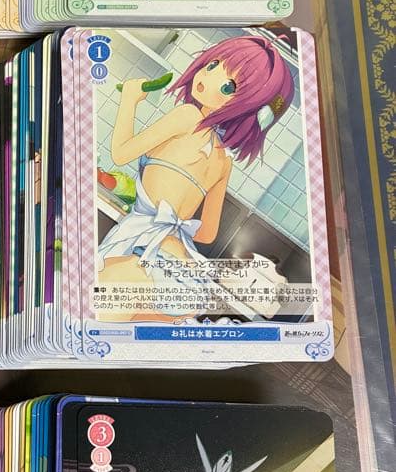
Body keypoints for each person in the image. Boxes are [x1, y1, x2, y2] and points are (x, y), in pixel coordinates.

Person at [96, 35, 294, 321]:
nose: (207, 78)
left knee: (83, 329)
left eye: (228, 87)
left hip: (144, 261)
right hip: (186, 281)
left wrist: (129, 99)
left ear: (248, 108)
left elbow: (121, 153)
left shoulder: (188, 116)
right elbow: (206, 234)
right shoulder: (224, 161)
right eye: (212, 65)